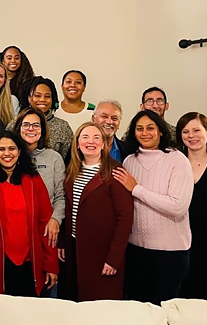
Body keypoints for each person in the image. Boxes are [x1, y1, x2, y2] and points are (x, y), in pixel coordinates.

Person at [112, 110, 193, 305]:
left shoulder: (177, 159)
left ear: (161, 132)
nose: (145, 133)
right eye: (139, 129)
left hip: (170, 253)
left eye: (150, 128)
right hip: (136, 250)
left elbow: (178, 206)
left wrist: (137, 189)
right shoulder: (129, 161)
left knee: (163, 309)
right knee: (139, 310)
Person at [0, 131, 58, 297]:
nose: (7, 153)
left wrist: (51, 265)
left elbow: (45, 225)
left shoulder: (33, 180)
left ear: (20, 152)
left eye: (12, 148)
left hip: (30, 265)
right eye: (1, 149)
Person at [60, 122, 133, 301]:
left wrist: (114, 258)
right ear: (77, 143)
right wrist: (62, 242)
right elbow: (67, 209)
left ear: (104, 143)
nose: (90, 142)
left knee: (100, 308)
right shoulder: (72, 170)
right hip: (74, 250)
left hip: (102, 254)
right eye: (85, 137)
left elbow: (125, 218)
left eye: (96, 137)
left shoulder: (115, 171)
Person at [13, 108, 65, 249]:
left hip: (46, 229)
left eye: (36, 125)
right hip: (16, 230)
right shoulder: (10, 157)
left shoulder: (54, 158)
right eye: (26, 125)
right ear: (19, 128)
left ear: (42, 130)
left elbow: (61, 196)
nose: (31, 129)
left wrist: (56, 219)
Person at [176, 112, 207, 299]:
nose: (191, 136)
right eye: (185, 131)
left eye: (197, 130)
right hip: (181, 242)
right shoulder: (175, 163)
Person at [18, 76, 73, 160]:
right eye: (37, 95)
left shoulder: (63, 127)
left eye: (47, 96)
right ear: (29, 98)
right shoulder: (16, 123)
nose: (42, 99)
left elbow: (68, 159)